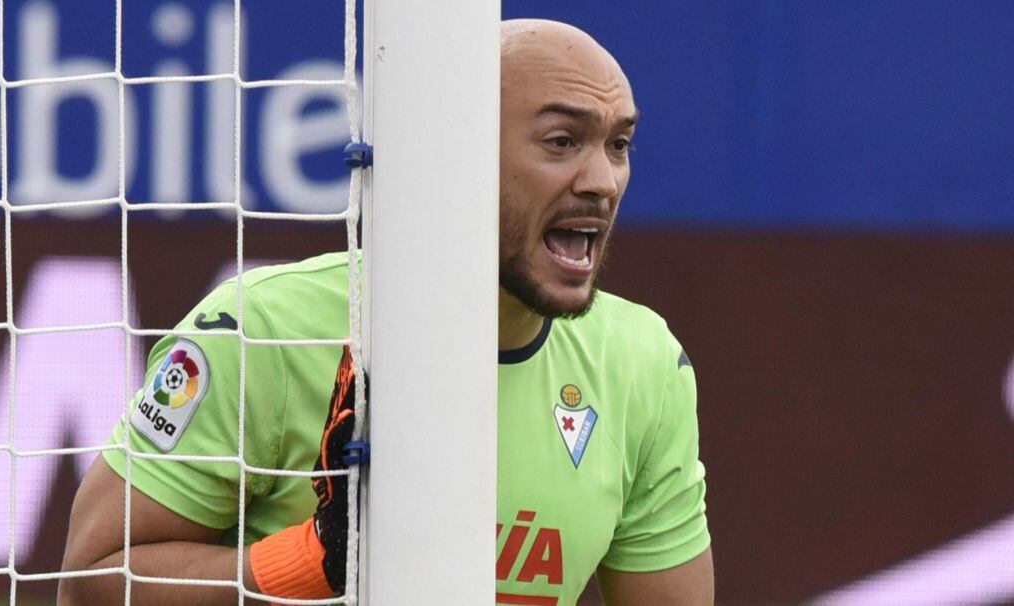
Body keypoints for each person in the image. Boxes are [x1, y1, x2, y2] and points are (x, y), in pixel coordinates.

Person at [58, 18, 713, 606]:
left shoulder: (643, 364)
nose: (602, 179)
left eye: (618, 144)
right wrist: (307, 564)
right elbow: (90, 581)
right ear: (454, 153)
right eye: (563, 140)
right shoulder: (264, 332)